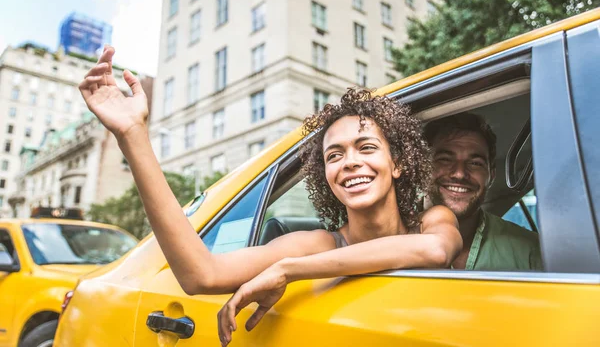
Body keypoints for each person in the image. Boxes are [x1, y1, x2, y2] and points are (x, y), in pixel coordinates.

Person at [79, 46, 462, 346]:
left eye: (366, 147)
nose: (349, 163)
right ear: (325, 176)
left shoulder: (433, 220)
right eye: (334, 154)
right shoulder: (315, 244)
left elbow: (433, 251)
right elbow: (200, 274)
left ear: (397, 163)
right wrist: (132, 136)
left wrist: (287, 270)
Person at [424, 113, 543, 271]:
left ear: (491, 175)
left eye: (475, 163)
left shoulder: (530, 252)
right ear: (422, 167)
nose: (459, 173)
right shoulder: (394, 234)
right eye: (445, 159)